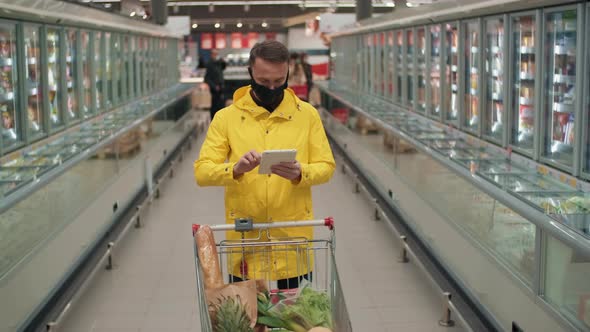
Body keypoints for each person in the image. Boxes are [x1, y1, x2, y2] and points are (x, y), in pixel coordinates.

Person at [194, 40, 335, 289]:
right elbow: (202, 171)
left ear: (287, 73)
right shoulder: (226, 118)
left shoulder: (307, 115)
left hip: (293, 236)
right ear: (250, 74)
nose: (272, 87)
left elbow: (326, 166)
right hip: (247, 239)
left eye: (279, 81)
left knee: (294, 319)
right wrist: (234, 169)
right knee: (250, 321)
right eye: (264, 81)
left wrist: (302, 172)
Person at [204, 49, 226, 120]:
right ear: (211, 55)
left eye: (217, 54)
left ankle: (221, 120)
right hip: (214, 89)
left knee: (221, 105)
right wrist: (214, 86)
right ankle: (214, 120)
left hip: (221, 87)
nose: (216, 55)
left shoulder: (218, 62)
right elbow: (207, 78)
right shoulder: (209, 64)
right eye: (214, 54)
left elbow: (224, 67)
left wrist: (223, 61)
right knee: (214, 106)